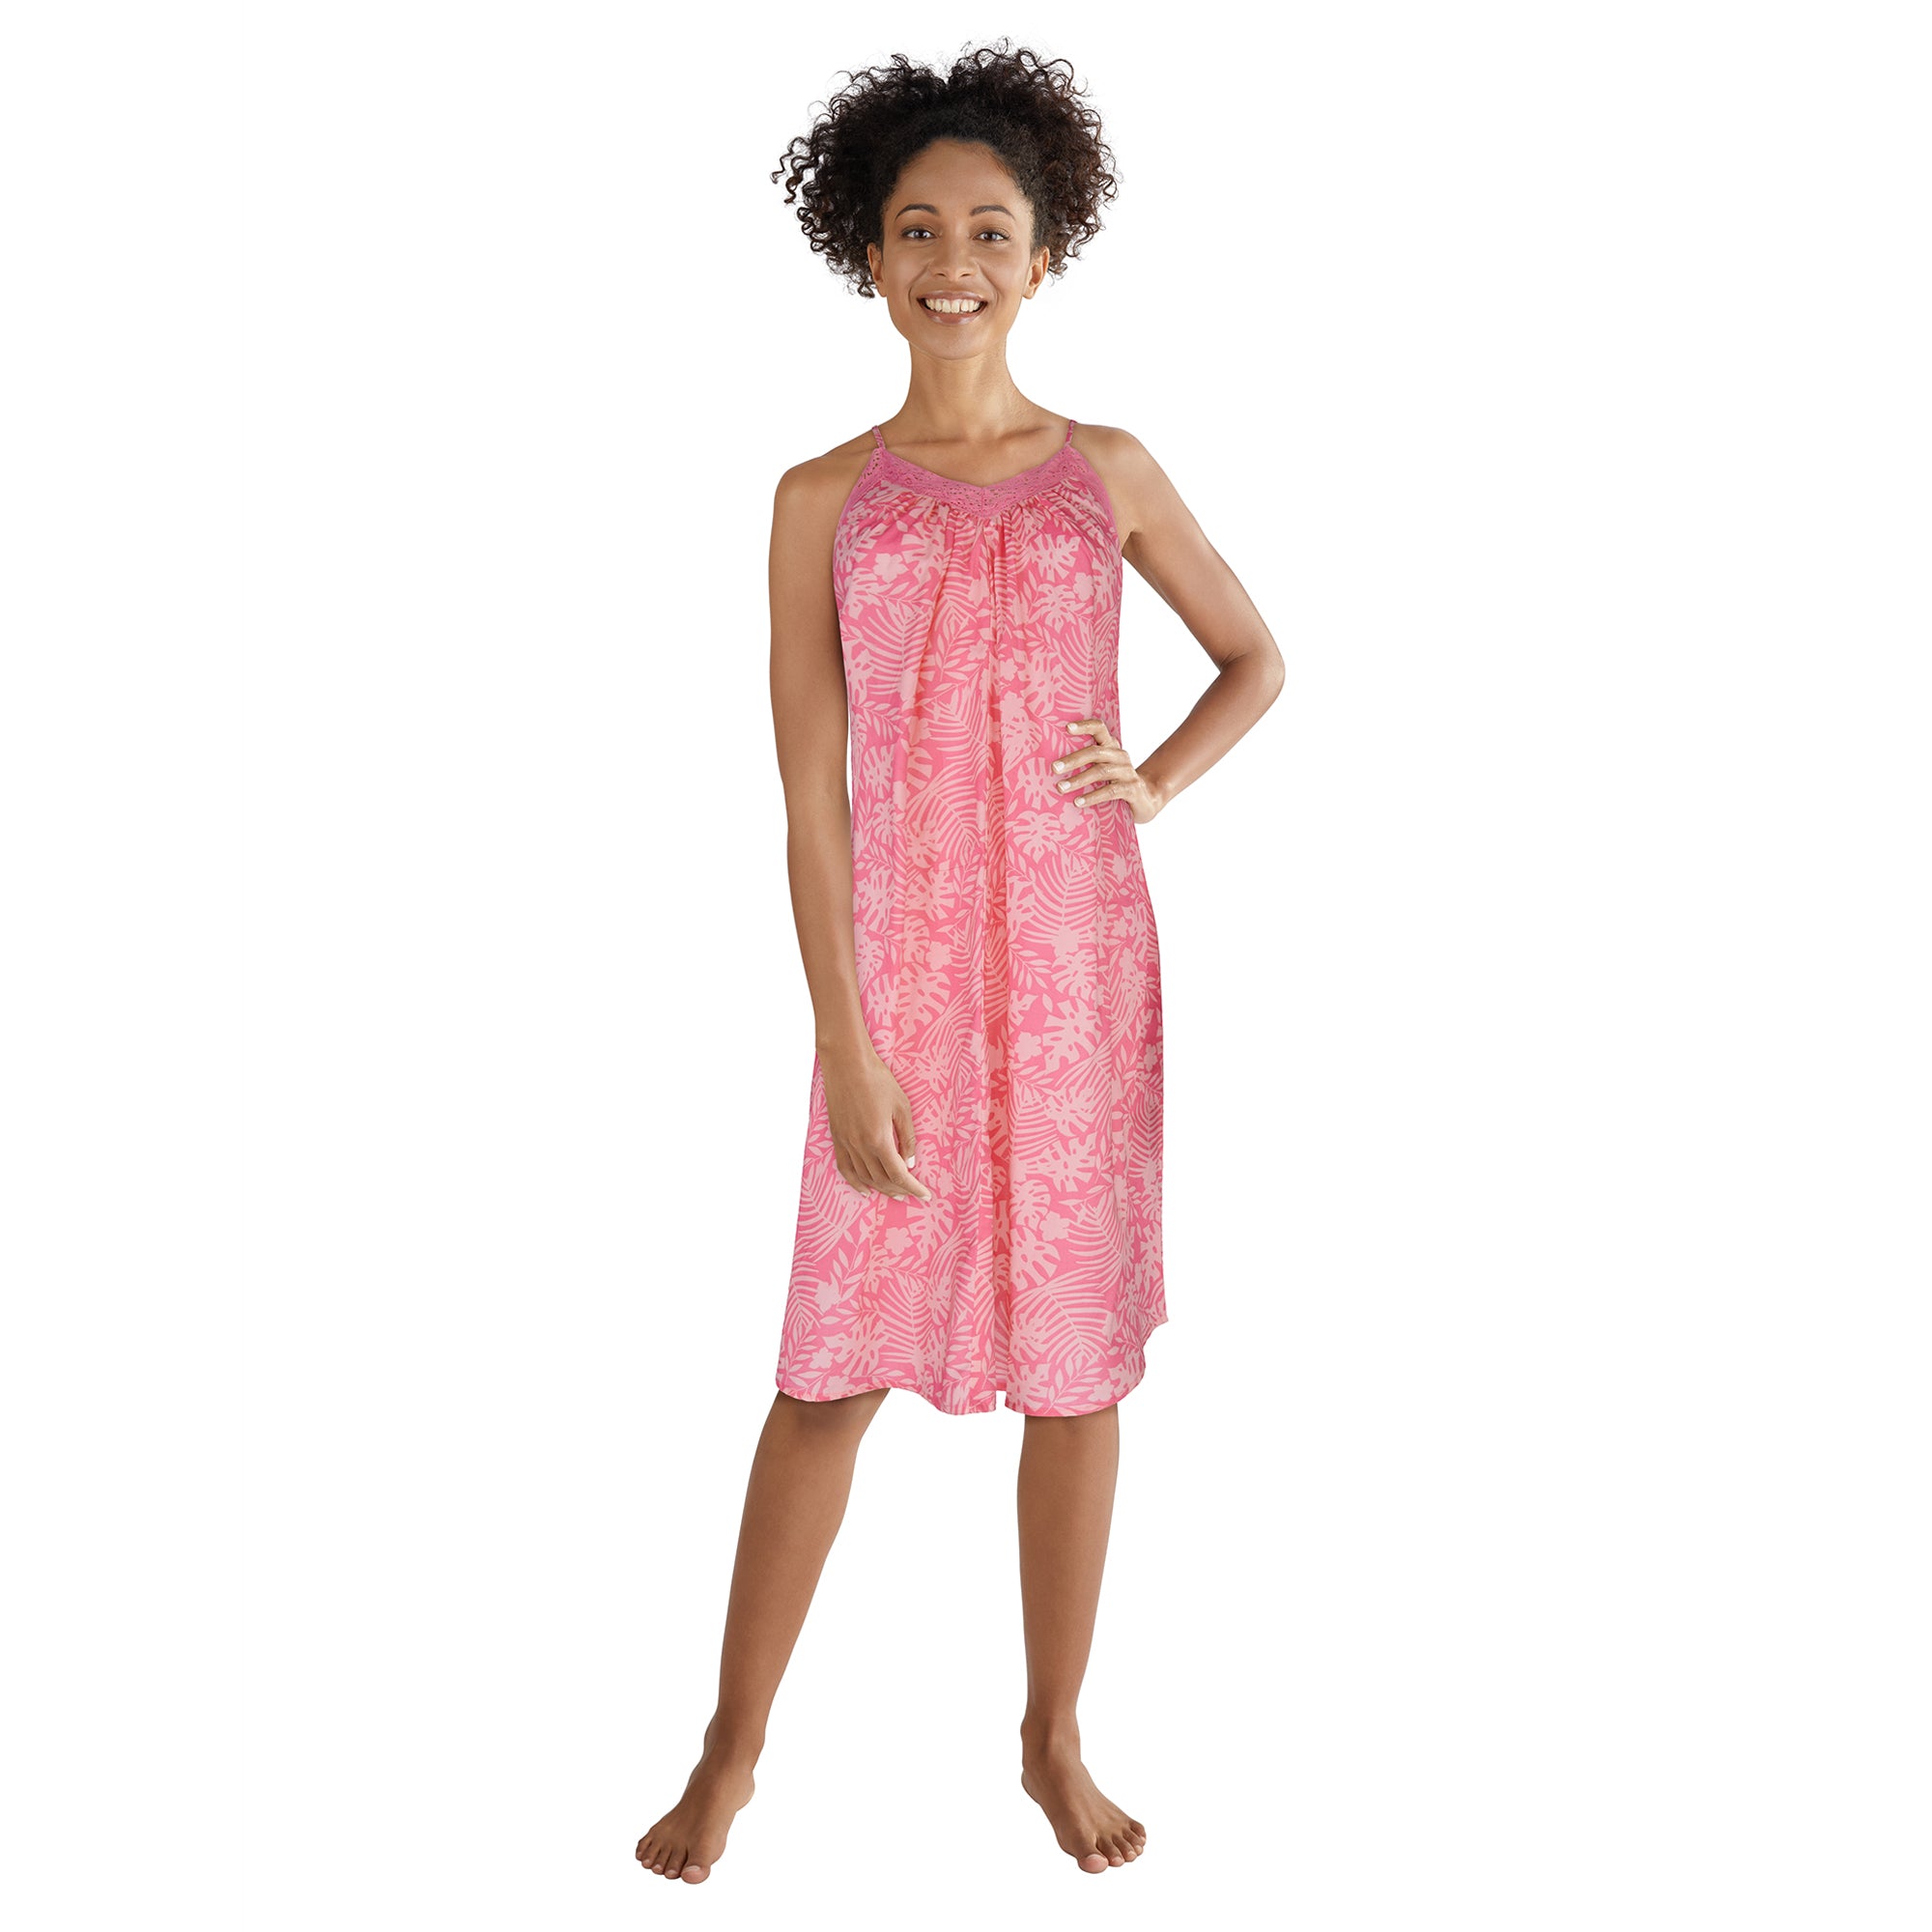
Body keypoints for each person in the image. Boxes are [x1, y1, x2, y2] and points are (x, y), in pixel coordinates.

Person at [637, 41, 1284, 1884]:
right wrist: (845, 1039)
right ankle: (730, 1749)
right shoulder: (820, 498)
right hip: (903, 987)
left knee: (1077, 1373)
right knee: (825, 1374)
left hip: (1081, 973)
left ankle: (1051, 1737)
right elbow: (808, 798)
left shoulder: (1109, 472)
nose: (954, 261)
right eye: (917, 228)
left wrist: (1151, 778)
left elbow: (1257, 658)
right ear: (868, 253)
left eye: (991, 229)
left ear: (1044, 254)